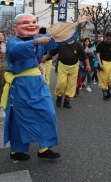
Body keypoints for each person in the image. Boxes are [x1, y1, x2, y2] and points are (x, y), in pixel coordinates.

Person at [0, 13, 91, 161]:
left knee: (47, 112)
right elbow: (15, 50)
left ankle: (44, 147)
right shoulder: (13, 42)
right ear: (15, 27)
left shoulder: (38, 39)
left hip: (37, 82)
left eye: (34, 22)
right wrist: (35, 43)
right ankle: (16, 150)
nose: (31, 25)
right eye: (25, 23)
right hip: (21, 84)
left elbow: (60, 37)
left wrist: (76, 24)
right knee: (19, 118)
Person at [51, 39, 91, 108]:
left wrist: (88, 65)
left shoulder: (78, 44)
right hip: (62, 66)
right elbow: (52, 52)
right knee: (61, 83)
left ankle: (67, 101)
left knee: (71, 85)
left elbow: (84, 56)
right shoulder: (61, 42)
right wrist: (45, 57)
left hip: (74, 67)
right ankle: (59, 97)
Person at [96, 32, 111, 101]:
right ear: (105, 37)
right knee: (103, 80)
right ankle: (104, 92)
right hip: (103, 62)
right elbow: (98, 55)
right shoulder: (100, 45)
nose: (109, 40)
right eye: (108, 39)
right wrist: (100, 64)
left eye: (110, 39)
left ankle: (108, 90)